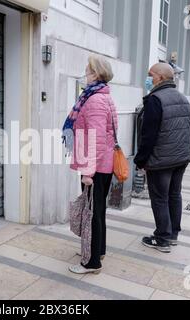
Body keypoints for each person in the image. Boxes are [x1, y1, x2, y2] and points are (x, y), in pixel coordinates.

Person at [63, 55, 117, 274]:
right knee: (98, 211)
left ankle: (91, 262)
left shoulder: (94, 99)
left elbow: (95, 138)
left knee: (92, 213)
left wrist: (88, 172)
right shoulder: (104, 95)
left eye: (87, 71)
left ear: (96, 73)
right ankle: (98, 250)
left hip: (95, 166)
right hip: (103, 164)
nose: (85, 75)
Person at [134, 63, 190, 253]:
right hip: (181, 158)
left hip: (161, 160)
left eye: (150, 74)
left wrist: (140, 160)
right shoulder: (182, 98)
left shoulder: (155, 99)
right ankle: (173, 234)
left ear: (160, 77)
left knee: (159, 198)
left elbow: (148, 135)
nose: (148, 78)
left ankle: (162, 239)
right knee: (174, 195)